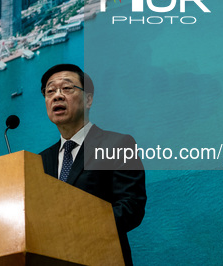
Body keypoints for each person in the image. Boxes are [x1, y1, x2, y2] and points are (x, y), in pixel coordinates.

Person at [38, 63, 147, 266]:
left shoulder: (117, 144)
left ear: (88, 99)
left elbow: (131, 208)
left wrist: (74, 227)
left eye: (67, 88)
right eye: (50, 91)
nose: (57, 96)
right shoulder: (40, 161)